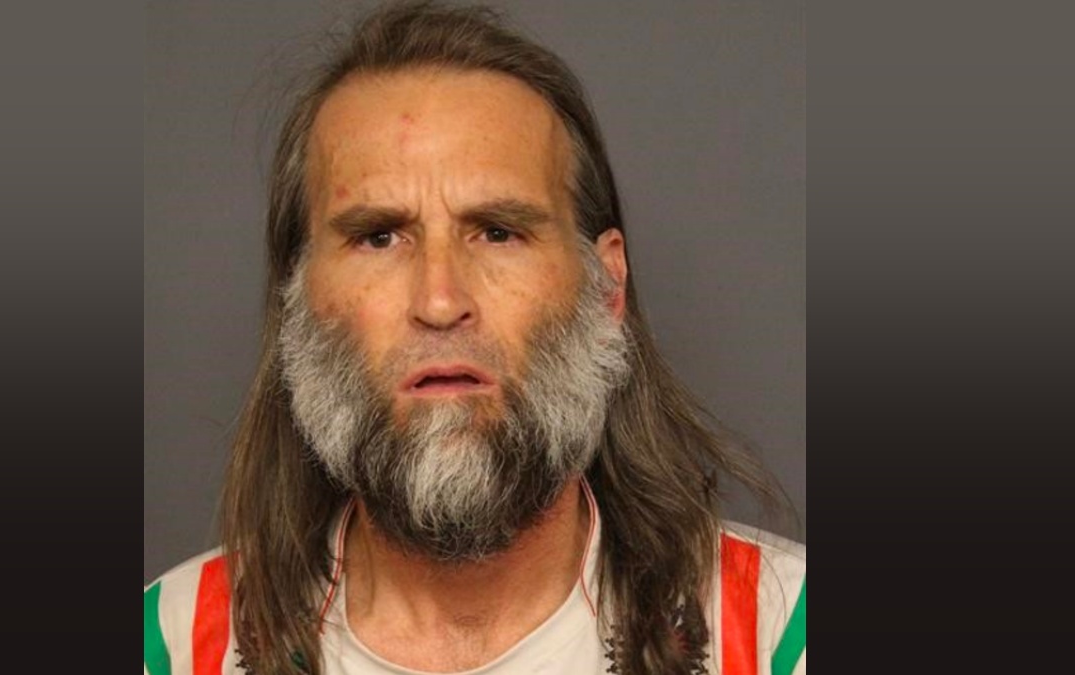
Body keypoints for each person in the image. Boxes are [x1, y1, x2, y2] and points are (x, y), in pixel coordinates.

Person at [144, 2, 805, 674]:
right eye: (379, 236)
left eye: (497, 232)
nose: (440, 302)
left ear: (607, 286)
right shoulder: (170, 647)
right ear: (295, 299)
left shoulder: (783, 633)